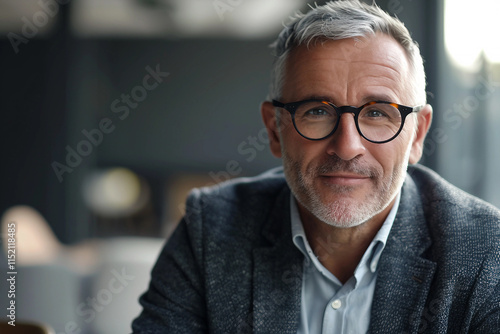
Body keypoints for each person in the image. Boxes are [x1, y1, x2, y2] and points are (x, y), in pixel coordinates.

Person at [132, 1, 500, 333]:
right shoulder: (209, 232)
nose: (347, 146)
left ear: (417, 135)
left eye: (376, 113)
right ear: (275, 129)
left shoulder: (485, 251)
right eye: (317, 111)